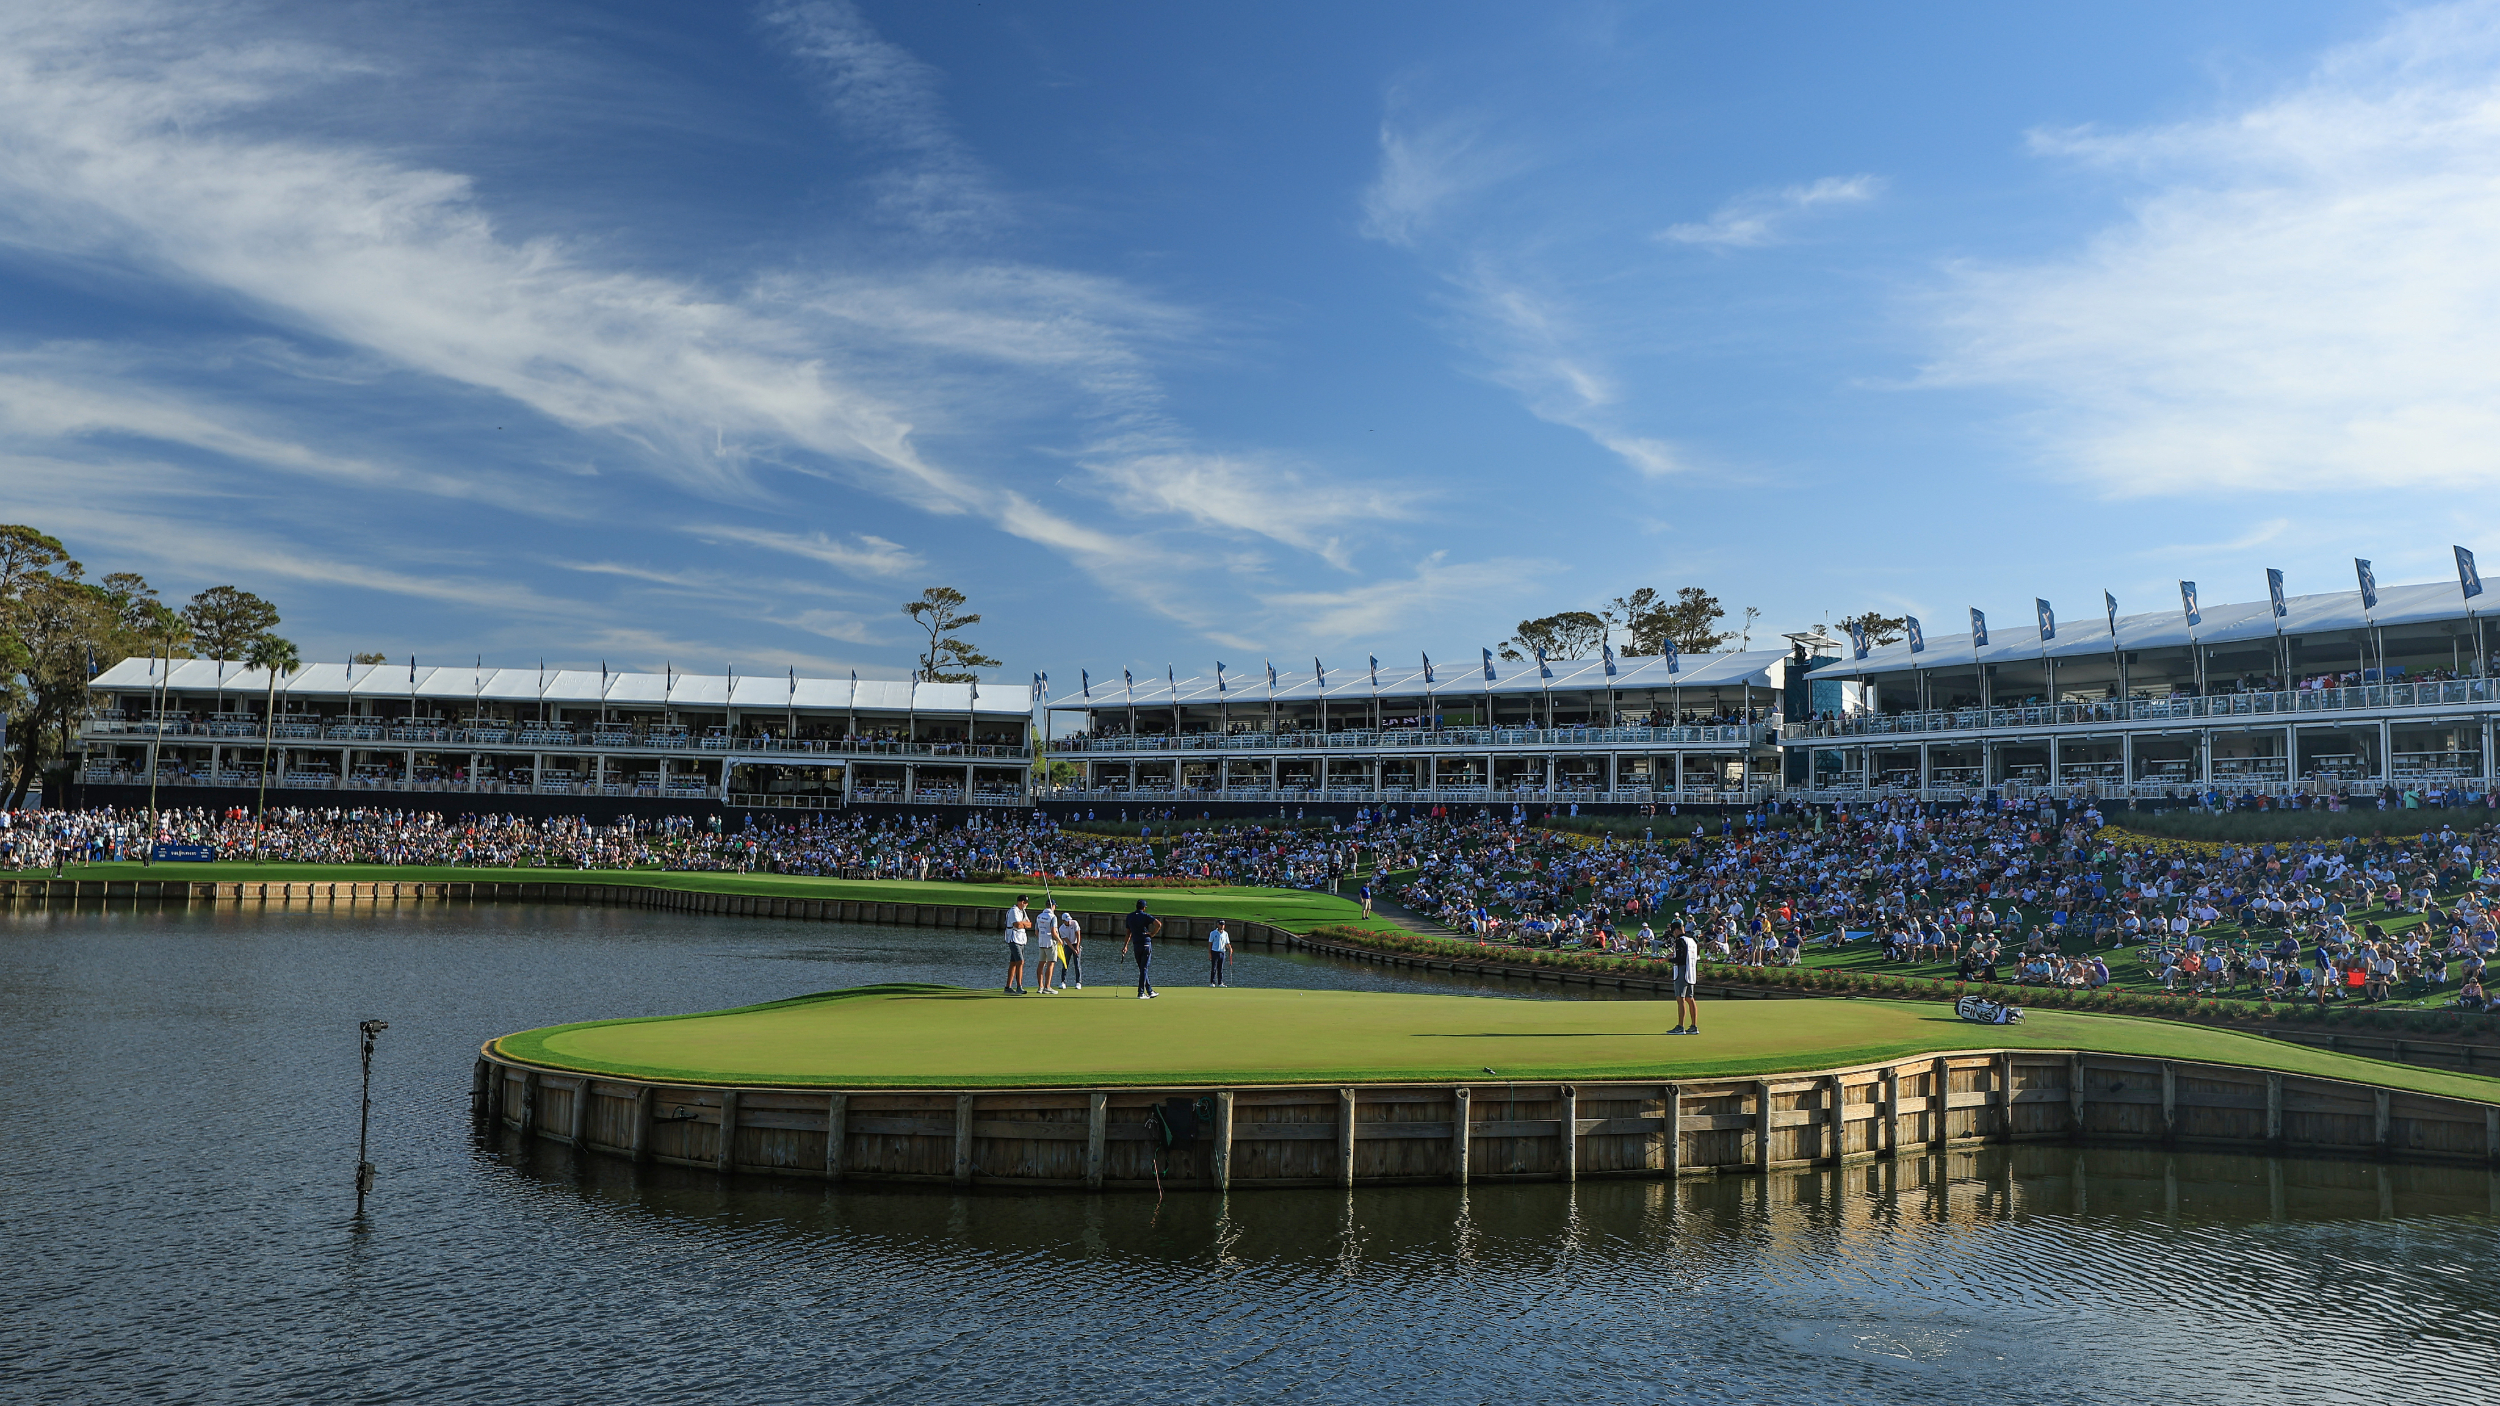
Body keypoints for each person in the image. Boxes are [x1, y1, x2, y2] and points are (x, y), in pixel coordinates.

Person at [1122, 899, 1162, 999]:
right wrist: (1152, 933)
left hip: (1136, 945)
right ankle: (1141, 993)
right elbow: (1159, 924)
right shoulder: (1145, 916)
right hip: (1145, 944)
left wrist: (1125, 946)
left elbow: (1128, 933)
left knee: (1142, 969)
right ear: (1144, 908)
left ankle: (1149, 991)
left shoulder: (1130, 916)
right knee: (1144, 969)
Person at [1669, 923, 1701, 1036]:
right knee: (1690, 998)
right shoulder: (1691, 940)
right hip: (1691, 972)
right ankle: (1693, 1026)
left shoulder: (1680, 940)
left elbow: (1680, 959)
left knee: (1680, 998)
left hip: (1682, 972)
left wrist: (1670, 959)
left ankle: (1680, 1026)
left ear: (1676, 930)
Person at [1004, 894, 1032, 995]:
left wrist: (1023, 924)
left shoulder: (1023, 911)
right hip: (1013, 938)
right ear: (1020, 902)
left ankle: (1008, 987)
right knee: (1020, 961)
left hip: (1021, 939)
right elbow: (1017, 924)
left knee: (1013, 963)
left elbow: (1029, 924)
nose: (1026, 904)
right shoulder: (1014, 911)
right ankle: (1019, 986)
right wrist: (1023, 924)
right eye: (1024, 902)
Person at [1031, 900, 1059, 994]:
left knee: (1041, 964)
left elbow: (1036, 931)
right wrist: (1060, 940)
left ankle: (1040, 987)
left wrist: (1042, 938)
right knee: (1051, 964)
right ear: (1053, 906)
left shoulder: (1039, 916)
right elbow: (1053, 932)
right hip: (1051, 942)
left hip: (1041, 942)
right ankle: (1047, 987)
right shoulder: (1053, 917)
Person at [1057, 906, 1084, 989]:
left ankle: (1078, 982)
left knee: (1077, 964)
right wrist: (1073, 949)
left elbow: (1078, 935)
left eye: (1069, 920)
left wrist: (1078, 947)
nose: (1069, 921)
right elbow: (1067, 941)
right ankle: (1063, 982)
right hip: (1068, 946)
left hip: (1076, 944)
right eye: (1067, 920)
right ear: (1063, 921)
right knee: (1065, 964)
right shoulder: (1061, 929)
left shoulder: (1074, 923)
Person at [1208, 919, 1231, 986]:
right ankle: (1212, 982)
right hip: (1214, 952)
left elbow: (1227, 943)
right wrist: (1210, 954)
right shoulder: (1213, 933)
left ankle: (1220, 983)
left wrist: (1230, 949)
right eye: (1221, 925)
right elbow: (1210, 944)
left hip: (1222, 952)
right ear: (1217, 925)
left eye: (1223, 925)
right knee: (1214, 968)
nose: (1222, 926)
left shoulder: (1225, 934)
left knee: (1220, 969)